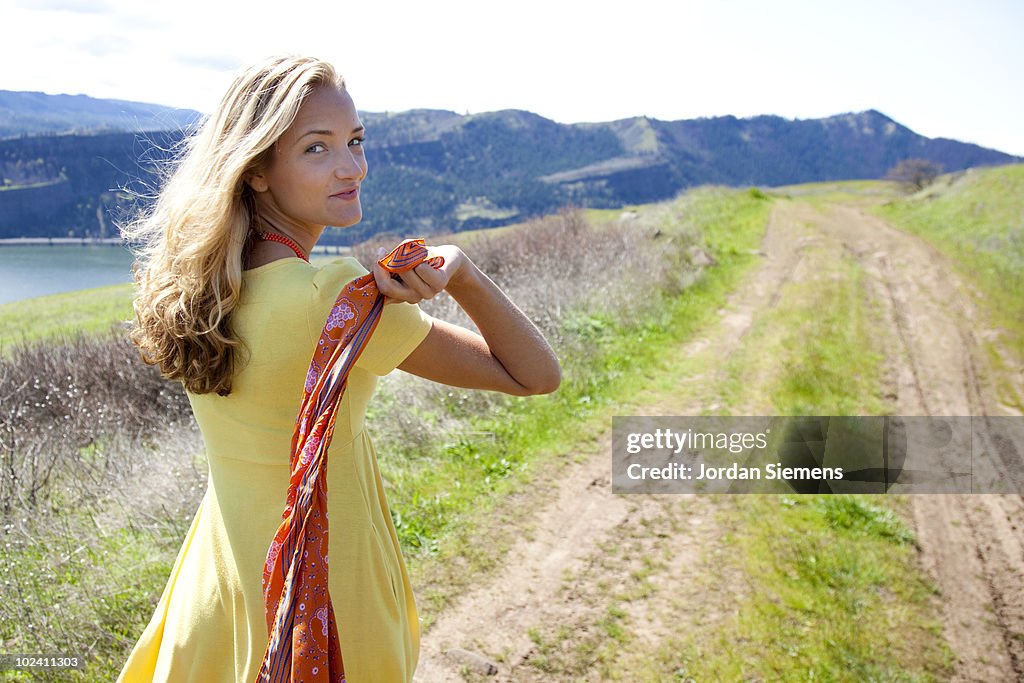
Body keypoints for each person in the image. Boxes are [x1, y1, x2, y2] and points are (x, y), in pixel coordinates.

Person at [116, 55, 560, 682]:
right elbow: (534, 374)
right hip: (321, 600)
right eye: (317, 149)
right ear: (259, 171)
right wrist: (460, 269)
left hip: (219, 586)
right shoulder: (334, 298)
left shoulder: (200, 288)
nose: (352, 167)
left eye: (355, 141)